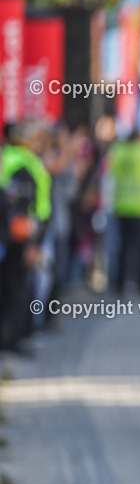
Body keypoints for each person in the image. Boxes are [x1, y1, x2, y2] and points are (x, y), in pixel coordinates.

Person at [0, 122, 52, 354]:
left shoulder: (12, 159)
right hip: (18, 238)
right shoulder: (22, 162)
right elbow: (23, 205)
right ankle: (12, 340)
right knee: (17, 289)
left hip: (14, 236)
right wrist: (33, 243)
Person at [107, 129, 140, 295]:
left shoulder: (117, 150)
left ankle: (119, 285)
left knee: (122, 247)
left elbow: (110, 173)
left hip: (121, 206)